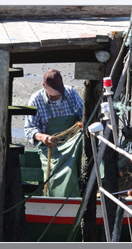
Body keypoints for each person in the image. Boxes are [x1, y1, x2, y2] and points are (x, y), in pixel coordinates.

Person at [24, 69, 83, 197]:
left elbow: (84, 115)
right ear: (44, 86)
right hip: (50, 148)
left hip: (73, 142)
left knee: (84, 143)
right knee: (64, 172)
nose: (57, 95)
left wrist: (81, 122)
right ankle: (64, 200)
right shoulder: (36, 100)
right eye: (53, 92)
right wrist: (42, 137)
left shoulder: (71, 93)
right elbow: (29, 129)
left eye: (59, 92)